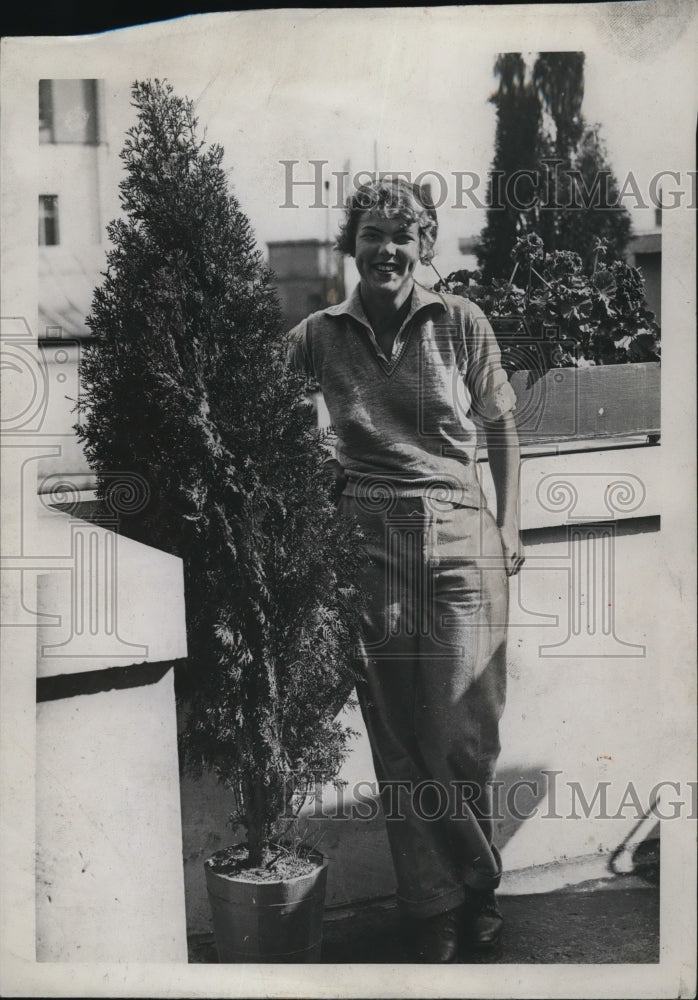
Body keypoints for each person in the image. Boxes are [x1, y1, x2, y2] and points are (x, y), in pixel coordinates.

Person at [286, 178, 525, 962]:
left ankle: (476, 887)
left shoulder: (460, 321)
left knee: (461, 728)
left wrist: (508, 523)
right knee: (396, 733)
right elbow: (275, 424)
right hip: (368, 539)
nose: (387, 248)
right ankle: (437, 910)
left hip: (460, 532)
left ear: (424, 244)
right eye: (372, 234)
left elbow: (501, 428)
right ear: (349, 245)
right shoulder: (317, 334)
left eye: (403, 234)